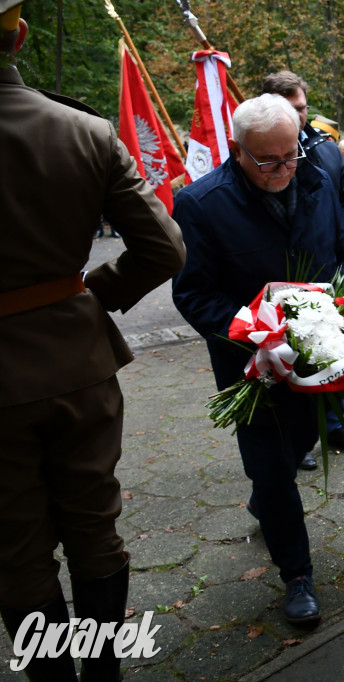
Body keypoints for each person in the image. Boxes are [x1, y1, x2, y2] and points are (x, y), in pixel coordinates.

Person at [0, 2, 186, 678]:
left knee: (15, 551)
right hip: (78, 365)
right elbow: (163, 248)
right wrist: (89, 297)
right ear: (18, 34)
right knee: (93, 527)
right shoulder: (85, 131)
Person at [172, 94, 344, 625]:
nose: (283, 170)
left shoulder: (316, 179)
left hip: (318, 357)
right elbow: (192, 293)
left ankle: (265, 499)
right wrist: (254, 335)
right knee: (273, 467)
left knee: (301, 441)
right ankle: (297, 575)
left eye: (291, 155)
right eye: (268, 161)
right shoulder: (200, 204)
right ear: (237, 150)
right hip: (250, 368)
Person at [260, 71, 344, 457]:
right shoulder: (259, 152)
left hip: (327, 272)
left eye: (303, 108)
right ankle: (300, 440)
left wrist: (341, 249)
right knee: (292, 356)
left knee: (333, 348)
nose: (301, 117)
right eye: (292, 110)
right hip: (281, 281)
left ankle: (339, 428)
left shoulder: (324, 150)